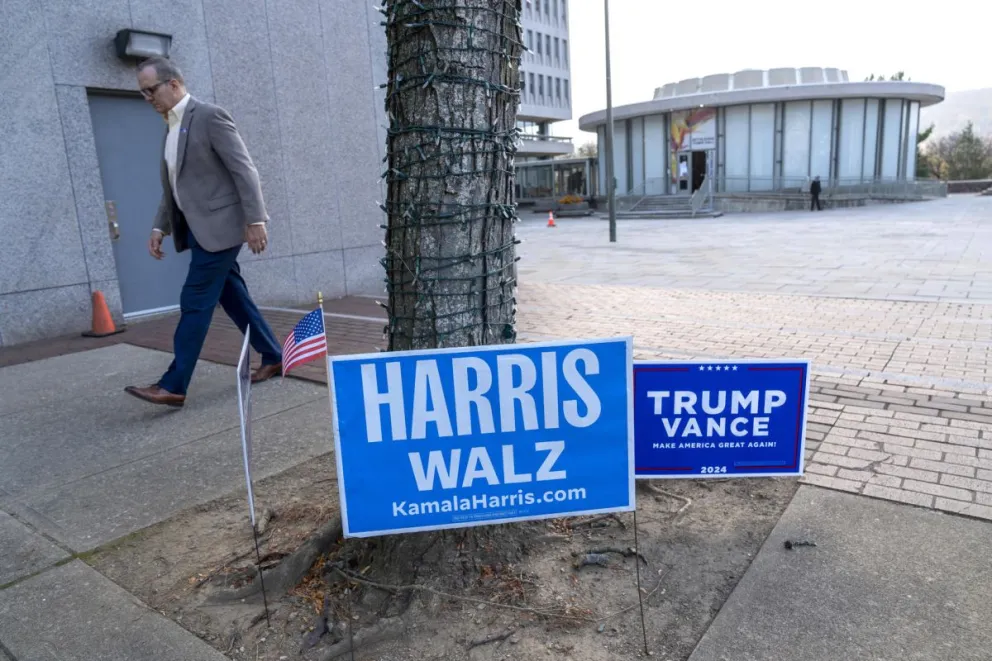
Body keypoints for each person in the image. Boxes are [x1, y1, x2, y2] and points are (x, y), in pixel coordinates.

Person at [124, 57, 283, 408]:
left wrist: (256, 220)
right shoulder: (171, 127)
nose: (147, 98)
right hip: (198, 231)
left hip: (221, 229)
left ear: (174, 84)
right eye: (142, 93)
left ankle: (174, 384)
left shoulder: (209, 116)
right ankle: (273, 355)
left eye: (151, 90)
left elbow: (245, 170)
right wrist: (158, 227)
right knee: (233, 296)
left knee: (195, 302)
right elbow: (176, 188)